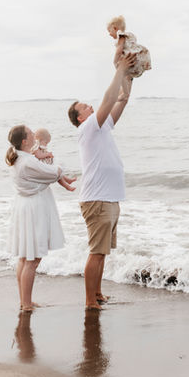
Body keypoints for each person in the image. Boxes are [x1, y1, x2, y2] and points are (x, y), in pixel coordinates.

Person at [67, 51, 138, 309]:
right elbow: (109, 98)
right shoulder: (88, 128)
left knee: (103, 252)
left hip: (109, 198)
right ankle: (89, 300)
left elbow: (121, 99)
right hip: (96, 199)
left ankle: (97, 293)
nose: (90, 106)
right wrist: (118, 68)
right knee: (96, 252)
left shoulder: (103, 125)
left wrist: (129, 74)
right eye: (84, 107)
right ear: (80, 118)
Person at [6, 124, 76, 311]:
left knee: (24, 257)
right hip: (34, 209)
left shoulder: (22, 159)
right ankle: (27, 303)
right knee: (32, 259)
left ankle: (25, 300)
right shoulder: (28, 162)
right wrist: (60, 163)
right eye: (30, 133)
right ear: (24, 141)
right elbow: (54, 172)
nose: (33, 135)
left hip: (26, 207)